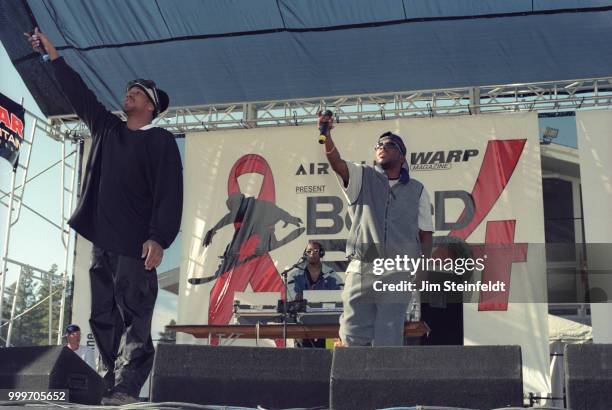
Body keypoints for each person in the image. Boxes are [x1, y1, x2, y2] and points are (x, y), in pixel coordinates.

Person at [26, 28, 183, 405]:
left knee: (135, 318)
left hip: (135, 246)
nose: (128, 93)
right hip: (103, 245)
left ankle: (128, 386)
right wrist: (53, 56)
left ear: (151, 107)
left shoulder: (159, 141)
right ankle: (109, 382)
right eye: (128, 90)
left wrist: (158, 237)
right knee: (103, 318)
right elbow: (78, 94)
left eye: (138, 92)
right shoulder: (107, 128)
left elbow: (169, 193)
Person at [318, 113, 433, 346]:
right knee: (351, 335)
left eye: (389, 145)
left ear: (402, 156)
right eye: (378, 145)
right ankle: (349, 381)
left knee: (388, 338)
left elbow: (425, 234)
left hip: (398, 269)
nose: (382, 148)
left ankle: (383, 382)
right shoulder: (362, 176)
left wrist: (422, 270)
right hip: (363, 265)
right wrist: (325, 134)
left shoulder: (418, 190)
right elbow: (337, 163)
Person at [287, 241, 344, 348]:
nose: (312, 253)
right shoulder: (295, 276)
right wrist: (298, 297)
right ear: (305, 255)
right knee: (302, 355)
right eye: (309, 251)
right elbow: (291, 295)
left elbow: (340, 294)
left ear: (321, 253)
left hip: (325, 321)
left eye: (315, 251)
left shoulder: (331, 275)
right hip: (301, 322)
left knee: (323, 354)